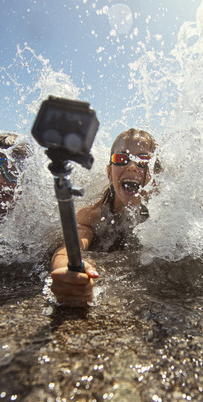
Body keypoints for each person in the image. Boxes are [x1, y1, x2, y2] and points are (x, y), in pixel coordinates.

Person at [49, 128, 158, 306]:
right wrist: (64, 269)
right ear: (109, 172)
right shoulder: (92, 215)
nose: (132, 166)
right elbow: (68, 248)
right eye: (121, 159)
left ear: (154, 176)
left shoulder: (165, 215)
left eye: (143, 160)